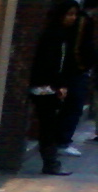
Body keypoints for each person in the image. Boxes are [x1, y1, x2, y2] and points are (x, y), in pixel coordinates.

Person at [30, 1, 82, 175]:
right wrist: (58, 85)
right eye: (69, 14)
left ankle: (51, 161)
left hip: (49, 86)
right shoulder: (53, 36)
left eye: (75, 14)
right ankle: (50, 163)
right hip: (45, 87)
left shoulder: (63, 35)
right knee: (48, 125)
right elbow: (49, 63)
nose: (72, 18)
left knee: (49, 125)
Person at [58, 0, 96, 154]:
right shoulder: (83, 22)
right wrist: (83, 66)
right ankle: (62, 142)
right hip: (75, 71)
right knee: (73, 105)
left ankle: (62, 141)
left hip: (77, 70)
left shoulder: (83, 21)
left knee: (72, 106)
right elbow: (80, 47)